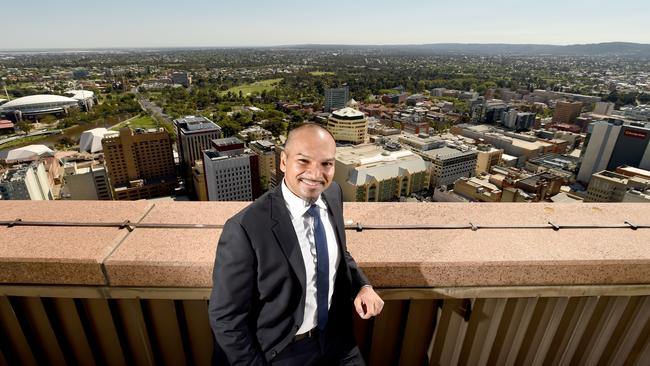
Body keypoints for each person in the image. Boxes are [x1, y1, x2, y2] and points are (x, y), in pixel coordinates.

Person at [209, 123, 384, 365]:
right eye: (303, 161)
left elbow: (338, 252)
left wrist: (362, 286)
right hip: (282, 351)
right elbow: (226, 318)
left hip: (336, 340)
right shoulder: (244, 228)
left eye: (326, 164)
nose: (315, 174)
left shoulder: (333, 194)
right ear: (283, 162)